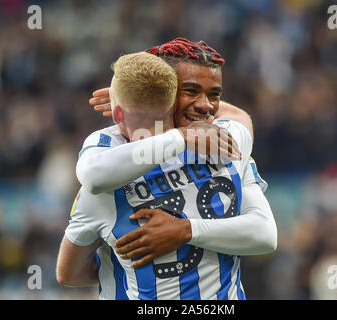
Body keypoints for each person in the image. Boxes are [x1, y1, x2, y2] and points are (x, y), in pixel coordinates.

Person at [57, 39, 276, 299]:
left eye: (214, 94)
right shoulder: (110, 154)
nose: (206, 105)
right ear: (164, 90)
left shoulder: (224, 141)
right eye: (191, 91)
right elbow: (92, 178)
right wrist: (181, 135)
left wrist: (185, 230)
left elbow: (265, 236)